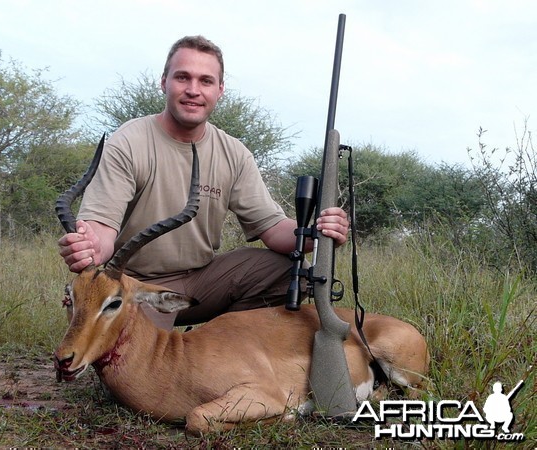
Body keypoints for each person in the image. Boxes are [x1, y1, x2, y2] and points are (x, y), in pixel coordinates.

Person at [58, 35, 350, 329]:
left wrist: (317, 232)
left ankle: (223, 348)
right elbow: (102, 232)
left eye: (206, 81)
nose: (193, 90)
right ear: (164, 82)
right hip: (134, 287)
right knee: (138, 373)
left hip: (201, 281)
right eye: (182, 77)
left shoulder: (233, 152)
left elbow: (273, 230)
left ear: (220, 89)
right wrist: (90, 248)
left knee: (286, 269)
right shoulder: (128, 141)